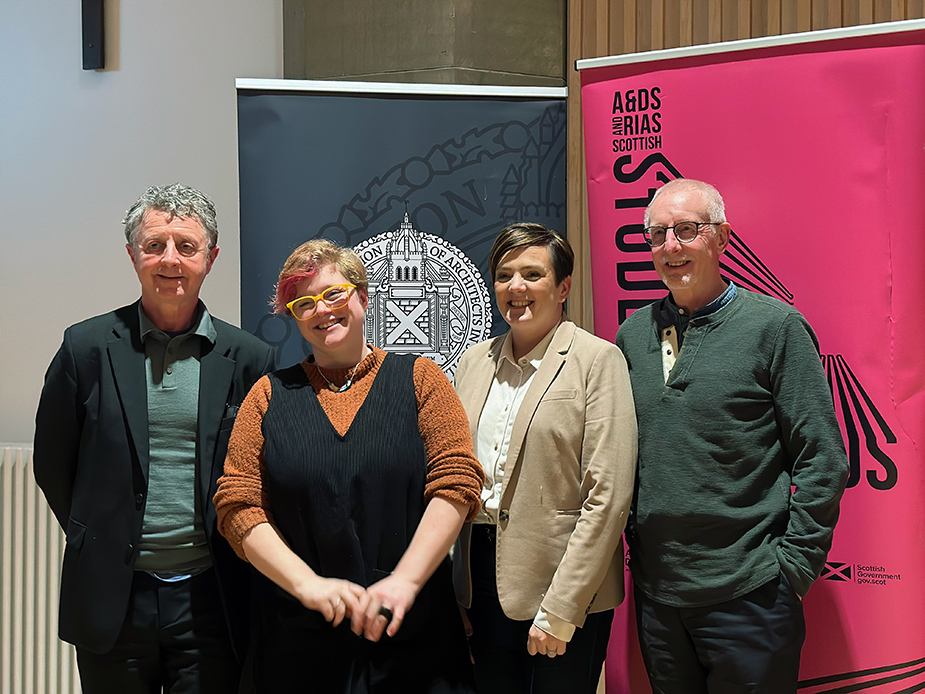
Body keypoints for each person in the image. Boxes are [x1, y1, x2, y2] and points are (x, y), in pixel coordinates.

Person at [33, 184, 274, 694]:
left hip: (212, 595)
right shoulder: (85, 348)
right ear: (131, 254)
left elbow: (260, 473)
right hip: (112, 597)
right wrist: (98, 530)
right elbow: (53, 462)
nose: (170, 260)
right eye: (154, 245)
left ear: (211, 258)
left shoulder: (250, 358)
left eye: (186, 246)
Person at [213, 239, 483, 693]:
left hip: (413, 634)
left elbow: (456, 482)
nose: (322, 310)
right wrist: (307, 585)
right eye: (304, 303)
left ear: (362, 295)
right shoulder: (266, 395)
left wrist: (404, 581)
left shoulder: (422, 378)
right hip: (298, 643)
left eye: (334, 293)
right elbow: (238, 506)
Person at [614, 178, 849, 693]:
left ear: (721, 238)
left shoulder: (776, 328)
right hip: (659, 598)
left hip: (753, 595)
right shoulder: (631, 335)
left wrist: (792, 571)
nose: (670, 247)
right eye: (657, 235)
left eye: (687, 231)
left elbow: (823, 456)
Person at [452, 223, 638, 694]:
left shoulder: (598, 360)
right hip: (480, 583)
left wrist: (562, 608)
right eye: (504, 275)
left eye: (532, 275)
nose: (516, 287)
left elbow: (609, 495)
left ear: (563, 287)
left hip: (562, 586)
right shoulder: (473, 362)